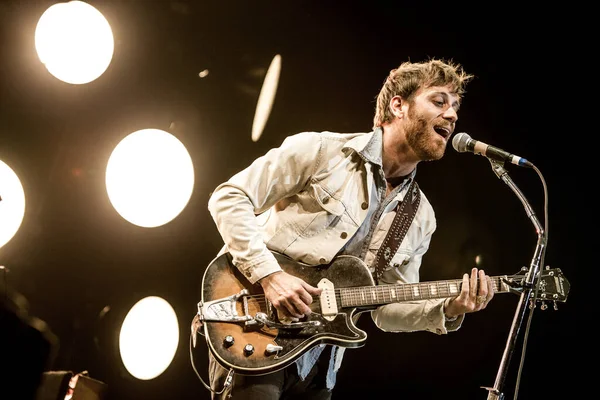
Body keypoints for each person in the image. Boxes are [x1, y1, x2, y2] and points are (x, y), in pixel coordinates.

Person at [205, 58, 495, 399]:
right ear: (398, 105)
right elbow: (228, 198)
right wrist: (270, 275)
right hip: (256, 327)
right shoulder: (321, 151)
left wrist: (447, 309)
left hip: (319, 364)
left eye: (455, 107)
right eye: (439, 101)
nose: (452, 115)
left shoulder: (421, 216)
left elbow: (386, 310)